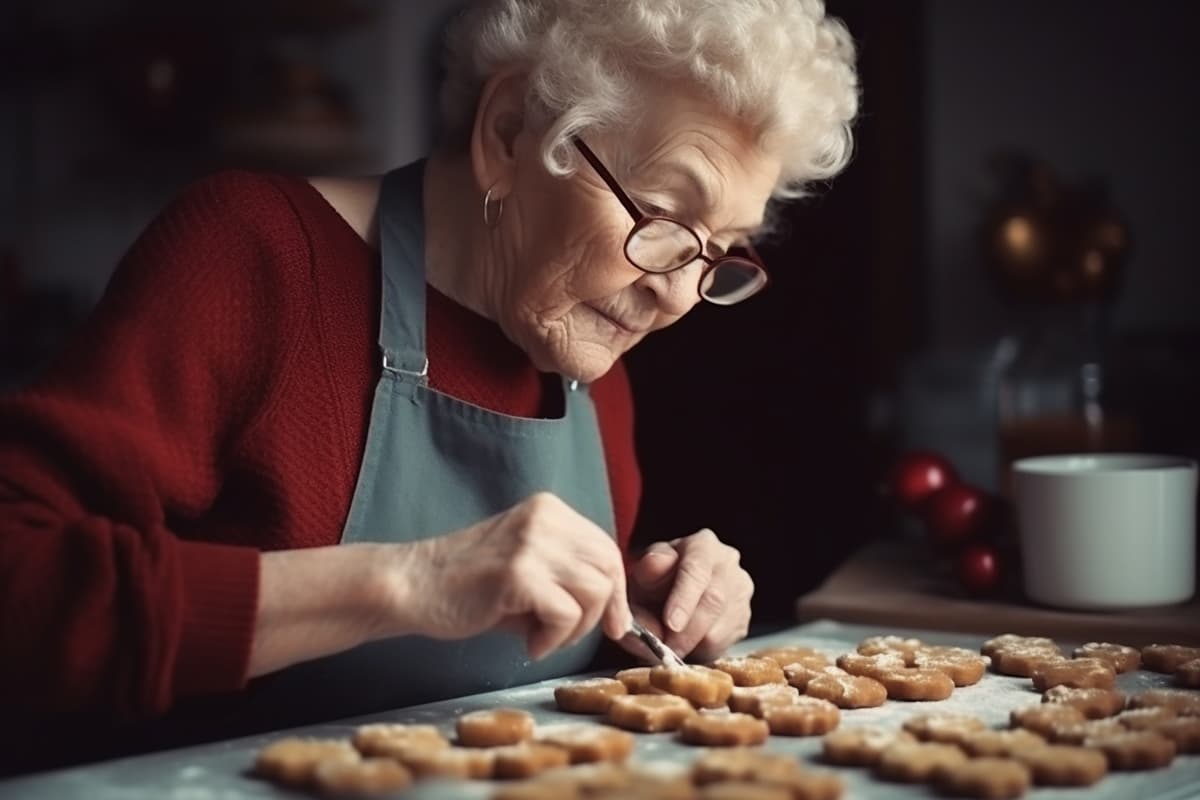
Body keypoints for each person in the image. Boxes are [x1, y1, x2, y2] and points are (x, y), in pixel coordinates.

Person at [0, 0, 858, 769]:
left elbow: (521, 698)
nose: (676, 291)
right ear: (511, 131)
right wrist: (404, 584)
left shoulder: (589, 351)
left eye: (719, 250)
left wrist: (633, 611)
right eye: (664, 218)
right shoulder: (251, 255)